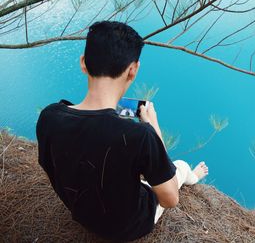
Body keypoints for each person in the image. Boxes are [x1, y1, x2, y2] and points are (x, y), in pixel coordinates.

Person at [35, 21, 208, 241]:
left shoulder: (50, 116)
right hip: (127, 228)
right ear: (133, 70)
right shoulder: (140, 136)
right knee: (180, 167)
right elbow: (170, 200)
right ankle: (192, 177)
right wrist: (152, 127)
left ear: (83, 63)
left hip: (81, 213)